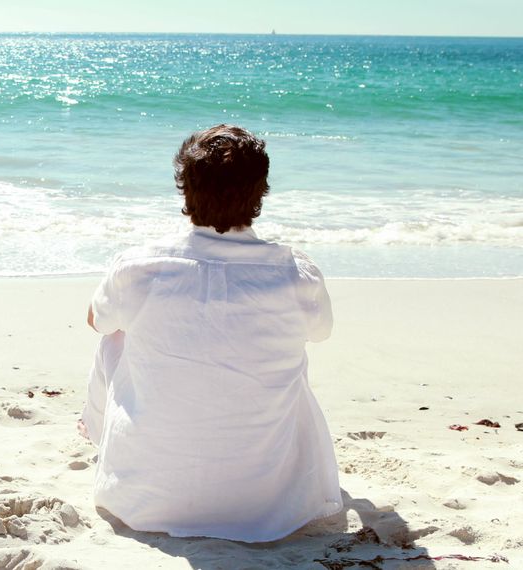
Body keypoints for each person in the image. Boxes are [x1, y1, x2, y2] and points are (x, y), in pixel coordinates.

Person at [79, 124, 342, 542]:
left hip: (144, 500)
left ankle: (99, 438)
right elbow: (321, 332)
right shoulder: (295, 274)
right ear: (260, 194)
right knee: (290, 344)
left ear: (186, 192)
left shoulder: (139, 267)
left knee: (116, 332)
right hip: (267, 505)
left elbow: (96, 319)